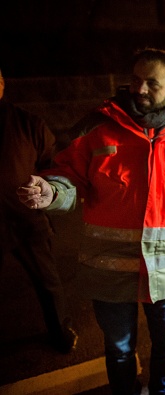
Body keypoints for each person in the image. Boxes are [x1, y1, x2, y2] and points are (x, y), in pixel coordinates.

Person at [17, 48, 165, 395]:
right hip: (109, 273)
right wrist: (53, 192)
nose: (140, 88)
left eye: (152, 83)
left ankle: (163, 391)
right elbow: (67, 178)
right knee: (119, 351)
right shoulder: (97, 127)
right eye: (136, 79)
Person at [0, 68, 77, 354]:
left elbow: (55, 168)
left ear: (3, 84)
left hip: (27, 221)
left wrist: (51, 191)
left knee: (48, 283)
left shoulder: (27, 124)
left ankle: (59, 332)